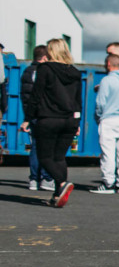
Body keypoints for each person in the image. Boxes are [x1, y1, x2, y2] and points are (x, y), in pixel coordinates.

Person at [27, 38, 82, 208]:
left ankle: (61, 183)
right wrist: (77, 121)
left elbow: (36, 95)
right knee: (59, 158)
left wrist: (28, 118)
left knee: (44, 157)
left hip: (49, 119)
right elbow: (78, 100)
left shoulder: (45, 69)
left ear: (51, 51)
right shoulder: (75, 72)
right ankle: (58, 195)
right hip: (70, 120)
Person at [93, 52, 119, 194]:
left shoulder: (106, 81)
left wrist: (99, 117)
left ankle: (108, 183)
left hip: (108, 119)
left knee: (108, 153)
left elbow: (100, 103)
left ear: (109, 64)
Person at [18, 45, 54, 190]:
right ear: (45, 57)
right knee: (46, 148)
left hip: (31, 114)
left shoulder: (26, 71)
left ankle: (34, 179)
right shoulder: (43, 72)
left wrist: (27, 116)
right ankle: (46, 178)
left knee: (35, 147)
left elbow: (25, 96)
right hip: (43, 114)